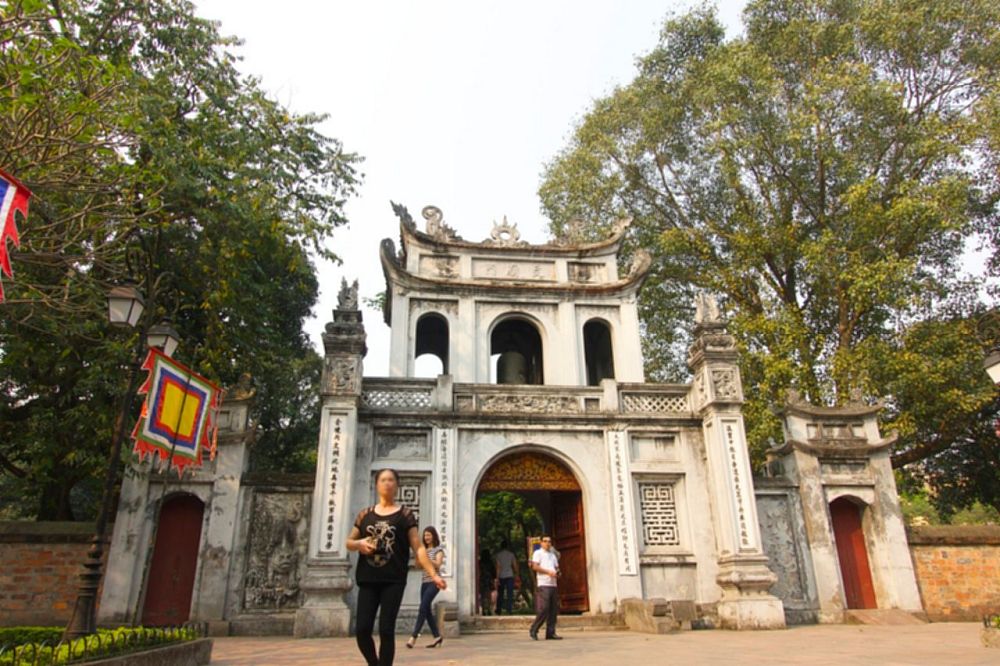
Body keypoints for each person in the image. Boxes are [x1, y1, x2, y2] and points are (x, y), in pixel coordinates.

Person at [347, 469, 446, 666]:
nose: (387, 483)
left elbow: (417, 548)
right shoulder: (364, 515)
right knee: (363, 629)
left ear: (397, 485)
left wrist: (434, 575)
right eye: (383, 480)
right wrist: (359, 544)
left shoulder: (405, 515)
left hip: (394, 579)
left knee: (386, 629)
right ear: (377, 484)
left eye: (391, 480)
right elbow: (349, 541)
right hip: (368, 578)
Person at [407, 527, 446, 649]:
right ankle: (437, 637)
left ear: (434, 536)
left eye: (429, 535)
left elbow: (438, 564)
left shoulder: (438, 550)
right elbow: (418, 566)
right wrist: (418, 559)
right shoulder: (422, 550)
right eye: (425, 536)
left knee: (423, 607)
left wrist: (425, 558)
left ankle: (413, 636)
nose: (426, 538)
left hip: (435, 582)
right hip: (424, 582)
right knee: (427, 610)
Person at [529, 535, 561, 641]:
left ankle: (551, 632)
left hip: (553, 584)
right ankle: (534, 628)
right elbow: (535, 566)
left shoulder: (552, 555)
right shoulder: (538, 553)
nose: (547, 543)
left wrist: (558, 573)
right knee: (544, 608)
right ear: (541, 543)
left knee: (553, 609)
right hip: (543, 584)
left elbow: (556, 568)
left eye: (549, 541)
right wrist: (548, 572)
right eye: (545, 541)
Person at [494, 540, 518, 615]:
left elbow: (498, 567)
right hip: (510, 575)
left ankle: (499, 609)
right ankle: (509, 609)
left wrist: (497, 578)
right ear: (507, 546)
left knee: (500, 593)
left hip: (501, 575)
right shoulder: (511, 554)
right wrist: (517, 574)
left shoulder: (498, 555)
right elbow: (515, 565)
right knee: (510, 593)